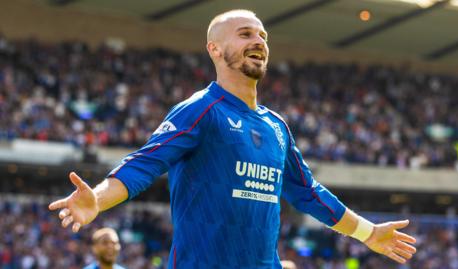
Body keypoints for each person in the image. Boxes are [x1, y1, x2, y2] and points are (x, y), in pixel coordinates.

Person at [49, 9, 417, 268]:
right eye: (245, 34)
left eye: (262, 36)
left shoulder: (277, 126)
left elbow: (308, 192)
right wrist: (96, 200)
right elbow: (144, 164)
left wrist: (368, 233)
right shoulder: (201, 110)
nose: (258, 41)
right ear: (214, 49)